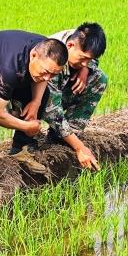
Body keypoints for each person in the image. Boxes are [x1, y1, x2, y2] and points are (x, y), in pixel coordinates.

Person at [44, 23, 108, 170]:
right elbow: (51, 109)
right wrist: (80, 147)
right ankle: (25, 140)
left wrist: (85, 68)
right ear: (70, 45)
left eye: (89, 59)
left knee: (99, 79)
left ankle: (63, 136)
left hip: (64, 82)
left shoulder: (83, 40)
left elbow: (91, 57)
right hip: (33, 96)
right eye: (83, 58)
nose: (85, 62)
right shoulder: (52, 54)